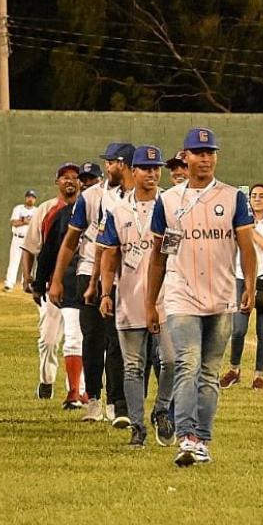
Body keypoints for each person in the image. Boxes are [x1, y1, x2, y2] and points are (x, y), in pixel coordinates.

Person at [146, 127, 257, 467]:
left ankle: (202, 440)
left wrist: (249, 283)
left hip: (221, 295)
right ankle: (186, 437)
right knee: (187, 364)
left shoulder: (233, 197)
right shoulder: (169, 201)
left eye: (210, 152)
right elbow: (158, 256)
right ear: (186, 157)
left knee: (209, 372)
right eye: (198, 152)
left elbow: (246, 245)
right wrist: (151, 301)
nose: (205, 158)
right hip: (181, 294)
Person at [95, 145, 175, 448]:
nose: (152, 174)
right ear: (133, 171)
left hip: (166, 297)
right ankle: (138, 427)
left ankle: (162, 409)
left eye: (156, 169)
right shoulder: (117, 209)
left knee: (170, 359)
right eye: (146, 168)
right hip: (129, 295)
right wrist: (105, 292)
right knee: (132, 367)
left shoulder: (169, 205)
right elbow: (109, 255)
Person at [48, 143, 134, 426]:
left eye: (112, 162)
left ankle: (117, 402)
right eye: (107, 163)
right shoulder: (92, 197)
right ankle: (94, 398)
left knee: (119, 341)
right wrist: (58, 279)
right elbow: (71, 241)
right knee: (94, 338)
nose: (108, 168)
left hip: (129, 275)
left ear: (123, 164)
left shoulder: (140, 197)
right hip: (90, 273)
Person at [24, 163, 84, 406]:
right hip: (50, 285)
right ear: (56, 181)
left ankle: (75, 391)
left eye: (74, 177)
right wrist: (30, 278)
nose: (69, 181)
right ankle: (47, 379)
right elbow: (34, 247)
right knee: (48, 340)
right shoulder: (47, 209)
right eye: (64, 177)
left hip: (76, 286)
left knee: (75, 337)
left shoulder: (87, 208)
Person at [223, 183, 263, 390]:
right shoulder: (239, 221)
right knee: (238, 329)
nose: (257, 199)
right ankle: (234, 370)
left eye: (261, 196)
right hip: (242, 278)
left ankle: (259, 376)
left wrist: (248, 228)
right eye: (253, 196)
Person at [4, 190, 37, 291]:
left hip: (30, 239)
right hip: (18, 238)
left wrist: (24, 221)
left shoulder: (37, 210)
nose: (30, 199)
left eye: (32, 197)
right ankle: (9, 284)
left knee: (28, 263)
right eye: (28, 197)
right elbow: (14, 222)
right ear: (25, 198)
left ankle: (26, 284)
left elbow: (37, 225)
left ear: (35, 199)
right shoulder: (18, 208)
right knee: (14, 261)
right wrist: (24, 221)